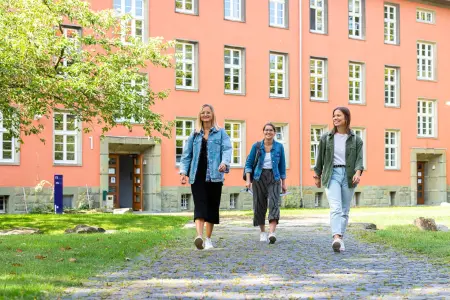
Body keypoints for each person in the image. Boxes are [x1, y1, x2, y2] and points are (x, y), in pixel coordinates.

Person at [179, 104, 232, 250]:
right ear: (200, 115)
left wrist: (224, 163)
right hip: (197, 175)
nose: (205, 115)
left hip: (215, 175)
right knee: (200, 205)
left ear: (213, 115)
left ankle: (208, 238)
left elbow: (227, 150)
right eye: (203, 113)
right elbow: (186, 155)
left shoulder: (221, 133)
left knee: (212, 207)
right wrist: (183, 172)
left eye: (208, 112)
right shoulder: (194, 134)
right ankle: (199, 237)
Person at [313, 107, 364, 253]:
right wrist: (317, 175)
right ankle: (336, 237)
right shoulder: (326, 138)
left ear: (346, 118)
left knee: (345, 210)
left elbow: (360, 159)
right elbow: (320, 158)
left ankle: (340, 238)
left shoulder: (356, 139)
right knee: (335, 207)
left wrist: (358, 173)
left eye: (338, 115)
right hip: (332, 173)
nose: (335, 118)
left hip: (349, 175)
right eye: (334, 115)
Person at [245, 123, 287, 244]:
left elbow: (282, 166)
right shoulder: (256, 146)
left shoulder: (279, 147)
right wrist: (248, 180)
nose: (268, 132)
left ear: (274, 132)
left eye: (271, 130)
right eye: (266, 130)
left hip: (274, 177)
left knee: (274, 203)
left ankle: (272, 233)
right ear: (263, 132)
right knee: (259, 205)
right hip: (258, 177)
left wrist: (284, 183)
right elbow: (248, 164)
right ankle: (263, 232)